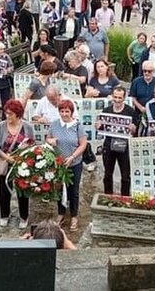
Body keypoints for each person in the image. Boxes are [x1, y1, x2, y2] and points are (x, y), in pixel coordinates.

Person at [0, 99, 34, 229]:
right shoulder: (1, 126)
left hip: (22, 165)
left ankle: (24, 216)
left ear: (17, 114)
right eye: (6, 113)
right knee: (4, 190)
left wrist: (23, 157)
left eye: (10, 114)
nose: (7, 116)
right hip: (6, 162)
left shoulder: (27, 127)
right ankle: (4, 215)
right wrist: (6, 157)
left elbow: (32, 145)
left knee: (23, 191)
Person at [46, 99, 87, 232]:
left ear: (71, 112)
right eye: (62, 111)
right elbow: (47, 138)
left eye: (67, 111)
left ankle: (74, 215)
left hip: (74, 162)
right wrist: (50, 140)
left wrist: (72, 157)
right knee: (59, 189)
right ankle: (61, 213)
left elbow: (83, 144)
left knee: (73, 190)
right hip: (58, 163)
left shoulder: (77, 126)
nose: (64, 114)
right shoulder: (54, 124)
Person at [97, 87, 137, 196]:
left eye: (120, 98)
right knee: (107, 175)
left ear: (124, 98)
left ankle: (125, 198)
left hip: (124, 146)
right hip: (109, 145)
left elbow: (135, 130)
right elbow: (100, 129)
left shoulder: (130, 111)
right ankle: (108, 197)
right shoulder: (106, 111)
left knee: (125, 176)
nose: (117, 100)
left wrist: (133, 128)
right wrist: (98, 126)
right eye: (115, 97)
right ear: (112, 96)